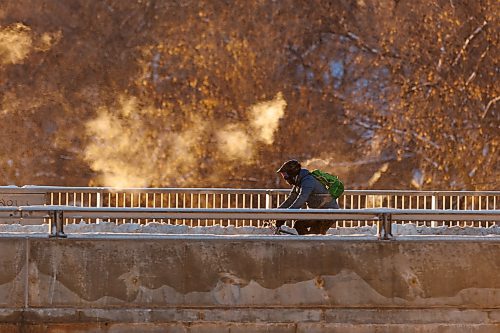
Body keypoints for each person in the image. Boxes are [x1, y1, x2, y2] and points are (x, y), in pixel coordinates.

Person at [275, 159, 338, 235]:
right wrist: (277, 213)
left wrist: (286, 215)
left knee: (315, 232)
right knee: (299, 225)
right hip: (319, 212)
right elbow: (290, 200)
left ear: (292, 173)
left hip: (328, 212)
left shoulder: (308, 181)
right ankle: (310, 244)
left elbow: (302, 198)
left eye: (285, 175)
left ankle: (313, 245)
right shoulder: (298, 182)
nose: (285, 178)